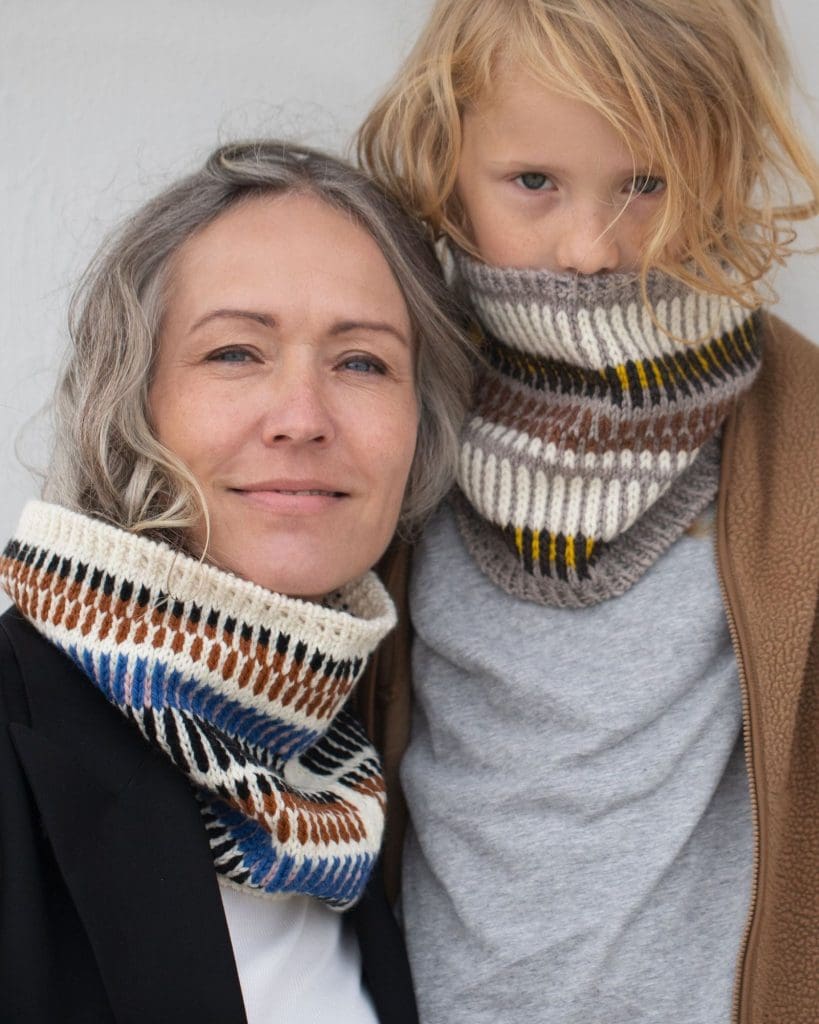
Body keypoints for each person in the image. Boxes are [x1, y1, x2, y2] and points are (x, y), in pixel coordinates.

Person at [355, 2, 819, 1022]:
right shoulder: (395, 407)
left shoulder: (800, 434)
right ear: (447, 162)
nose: (587, 250)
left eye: (646, 185)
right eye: (534, 182)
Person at [0, 140, 472, 1024]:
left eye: (361, 362)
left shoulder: (346, 770)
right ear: (130, 398)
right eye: (234, 353)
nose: (301, 418)